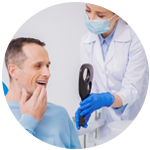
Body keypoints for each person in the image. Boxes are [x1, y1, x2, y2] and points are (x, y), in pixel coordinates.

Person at [75, 2, 150, 132]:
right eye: (88, 10)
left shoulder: (135, 39)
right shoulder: (86, 42)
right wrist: (87, 105)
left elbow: (132, 90)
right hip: (107, 123)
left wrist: (105, 99)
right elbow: (89, 83)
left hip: (137, 118)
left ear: (117, 15)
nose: (91, 19)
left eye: (100, 15)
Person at [4, 37, 82, 149]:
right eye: (37, 66)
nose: (47, 73)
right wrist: (28, 122)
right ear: (13, 71)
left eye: (47, 66)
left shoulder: (60, 114)